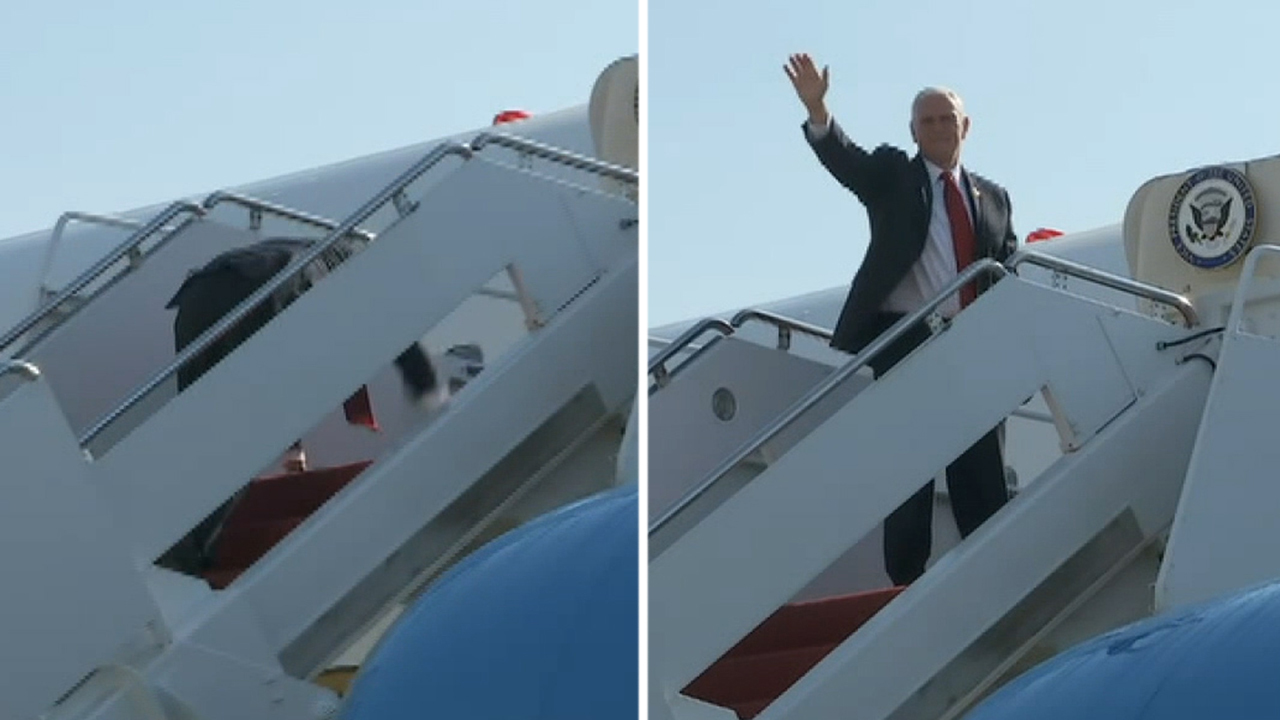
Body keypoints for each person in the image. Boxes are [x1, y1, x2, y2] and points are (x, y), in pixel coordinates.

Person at [784, 53, 1017, 585]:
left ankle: (990, 580)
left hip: (973, 349)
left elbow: (1008, 271)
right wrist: (818, 109)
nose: (938, 128)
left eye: (946, 118)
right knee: (910, 473)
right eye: (927, 121)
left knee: (980, 474)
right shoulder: (893, 176)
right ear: (913, 131)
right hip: (908, 342)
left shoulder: (995, 198)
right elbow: (847, 162)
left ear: (966, 126)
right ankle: (904, 586)